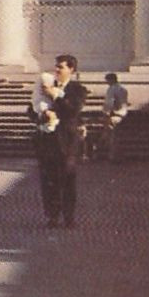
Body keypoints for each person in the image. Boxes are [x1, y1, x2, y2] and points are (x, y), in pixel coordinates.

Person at [32, 54, 89, 227]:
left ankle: (68, 217)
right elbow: (31, 109)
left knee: (67, 180)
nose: (56, 70)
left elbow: (73, 110)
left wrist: (56, 96)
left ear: (71, 69)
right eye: (56, 66)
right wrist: (42, 114)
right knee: (49, 181)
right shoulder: (46, 85)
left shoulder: (77, 89)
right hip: (48, 142)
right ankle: (52, 216)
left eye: (61, 67)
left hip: (67, 143)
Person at [101, 72, 130, 162]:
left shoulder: (112, 89)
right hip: (122, 114)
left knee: (112, 137)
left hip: (114, 114)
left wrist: (106, 113)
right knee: (118, 137)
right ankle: (119, 155)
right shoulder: (123, 89)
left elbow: (109, 102)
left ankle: (113, 156)